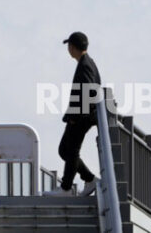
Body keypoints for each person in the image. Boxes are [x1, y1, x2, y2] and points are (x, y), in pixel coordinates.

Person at [43, 31, 101, 196]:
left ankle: (67, 188)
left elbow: (89, 91)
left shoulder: (85, 65)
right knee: (64, 150)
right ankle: (89, 179)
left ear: (73, 47)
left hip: (81, 117)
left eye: (69, 46)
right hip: (80, 115)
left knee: (71, 151)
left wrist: (76, 117)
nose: (68, 49)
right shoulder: (86, 62)